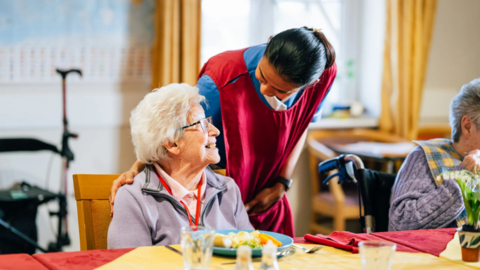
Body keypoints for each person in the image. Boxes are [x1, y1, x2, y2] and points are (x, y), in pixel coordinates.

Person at [110, 27, 337, 237]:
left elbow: (303, 123)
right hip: (219, 201)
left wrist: (282, 183)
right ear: (267, 45)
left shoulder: (324, 72)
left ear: (311, 84)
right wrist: (139, 166)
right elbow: (174, 135)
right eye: (262, 77)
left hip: (265, 200)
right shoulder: (220, 83)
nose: (265, 89)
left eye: (279, 91)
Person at [108, 84, 253, 248]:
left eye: (209, 122)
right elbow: (128, 264)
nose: (215, 131)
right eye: (202, 125)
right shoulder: (134, 198)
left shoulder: (227, 189)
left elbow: (251, 254)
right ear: (172, 143)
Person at [389, 78, 480, 231]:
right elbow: (401, 222)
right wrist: (462, 180)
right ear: (467, 127)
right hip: (436, 254)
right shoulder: (424, 157)